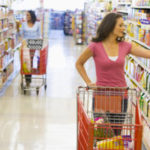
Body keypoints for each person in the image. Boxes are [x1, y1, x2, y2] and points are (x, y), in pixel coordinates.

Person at [76, 12, 150, 135]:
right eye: (120, 25)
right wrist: (88, 82)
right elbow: (79, 63)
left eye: (124, 25)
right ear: (110, 26)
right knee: (101, 134)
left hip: (121, 96)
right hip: (101, 96)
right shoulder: (95, 46)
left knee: (115, 135)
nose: (123, 28)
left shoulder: (125, 46)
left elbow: (147, 53)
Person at [21, 10, 41, 87]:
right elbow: (21, 34)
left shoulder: (37, 24)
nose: (27, 17)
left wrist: (40, 45)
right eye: (26, 15)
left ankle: (28, 79)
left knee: (31, 60)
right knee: (26, 61)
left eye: (28, 15)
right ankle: (27, 79)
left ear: (32, 16)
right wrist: (18, 27)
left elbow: (39, 35)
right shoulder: (23, 24)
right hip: (25, 44)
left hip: (34, 44)